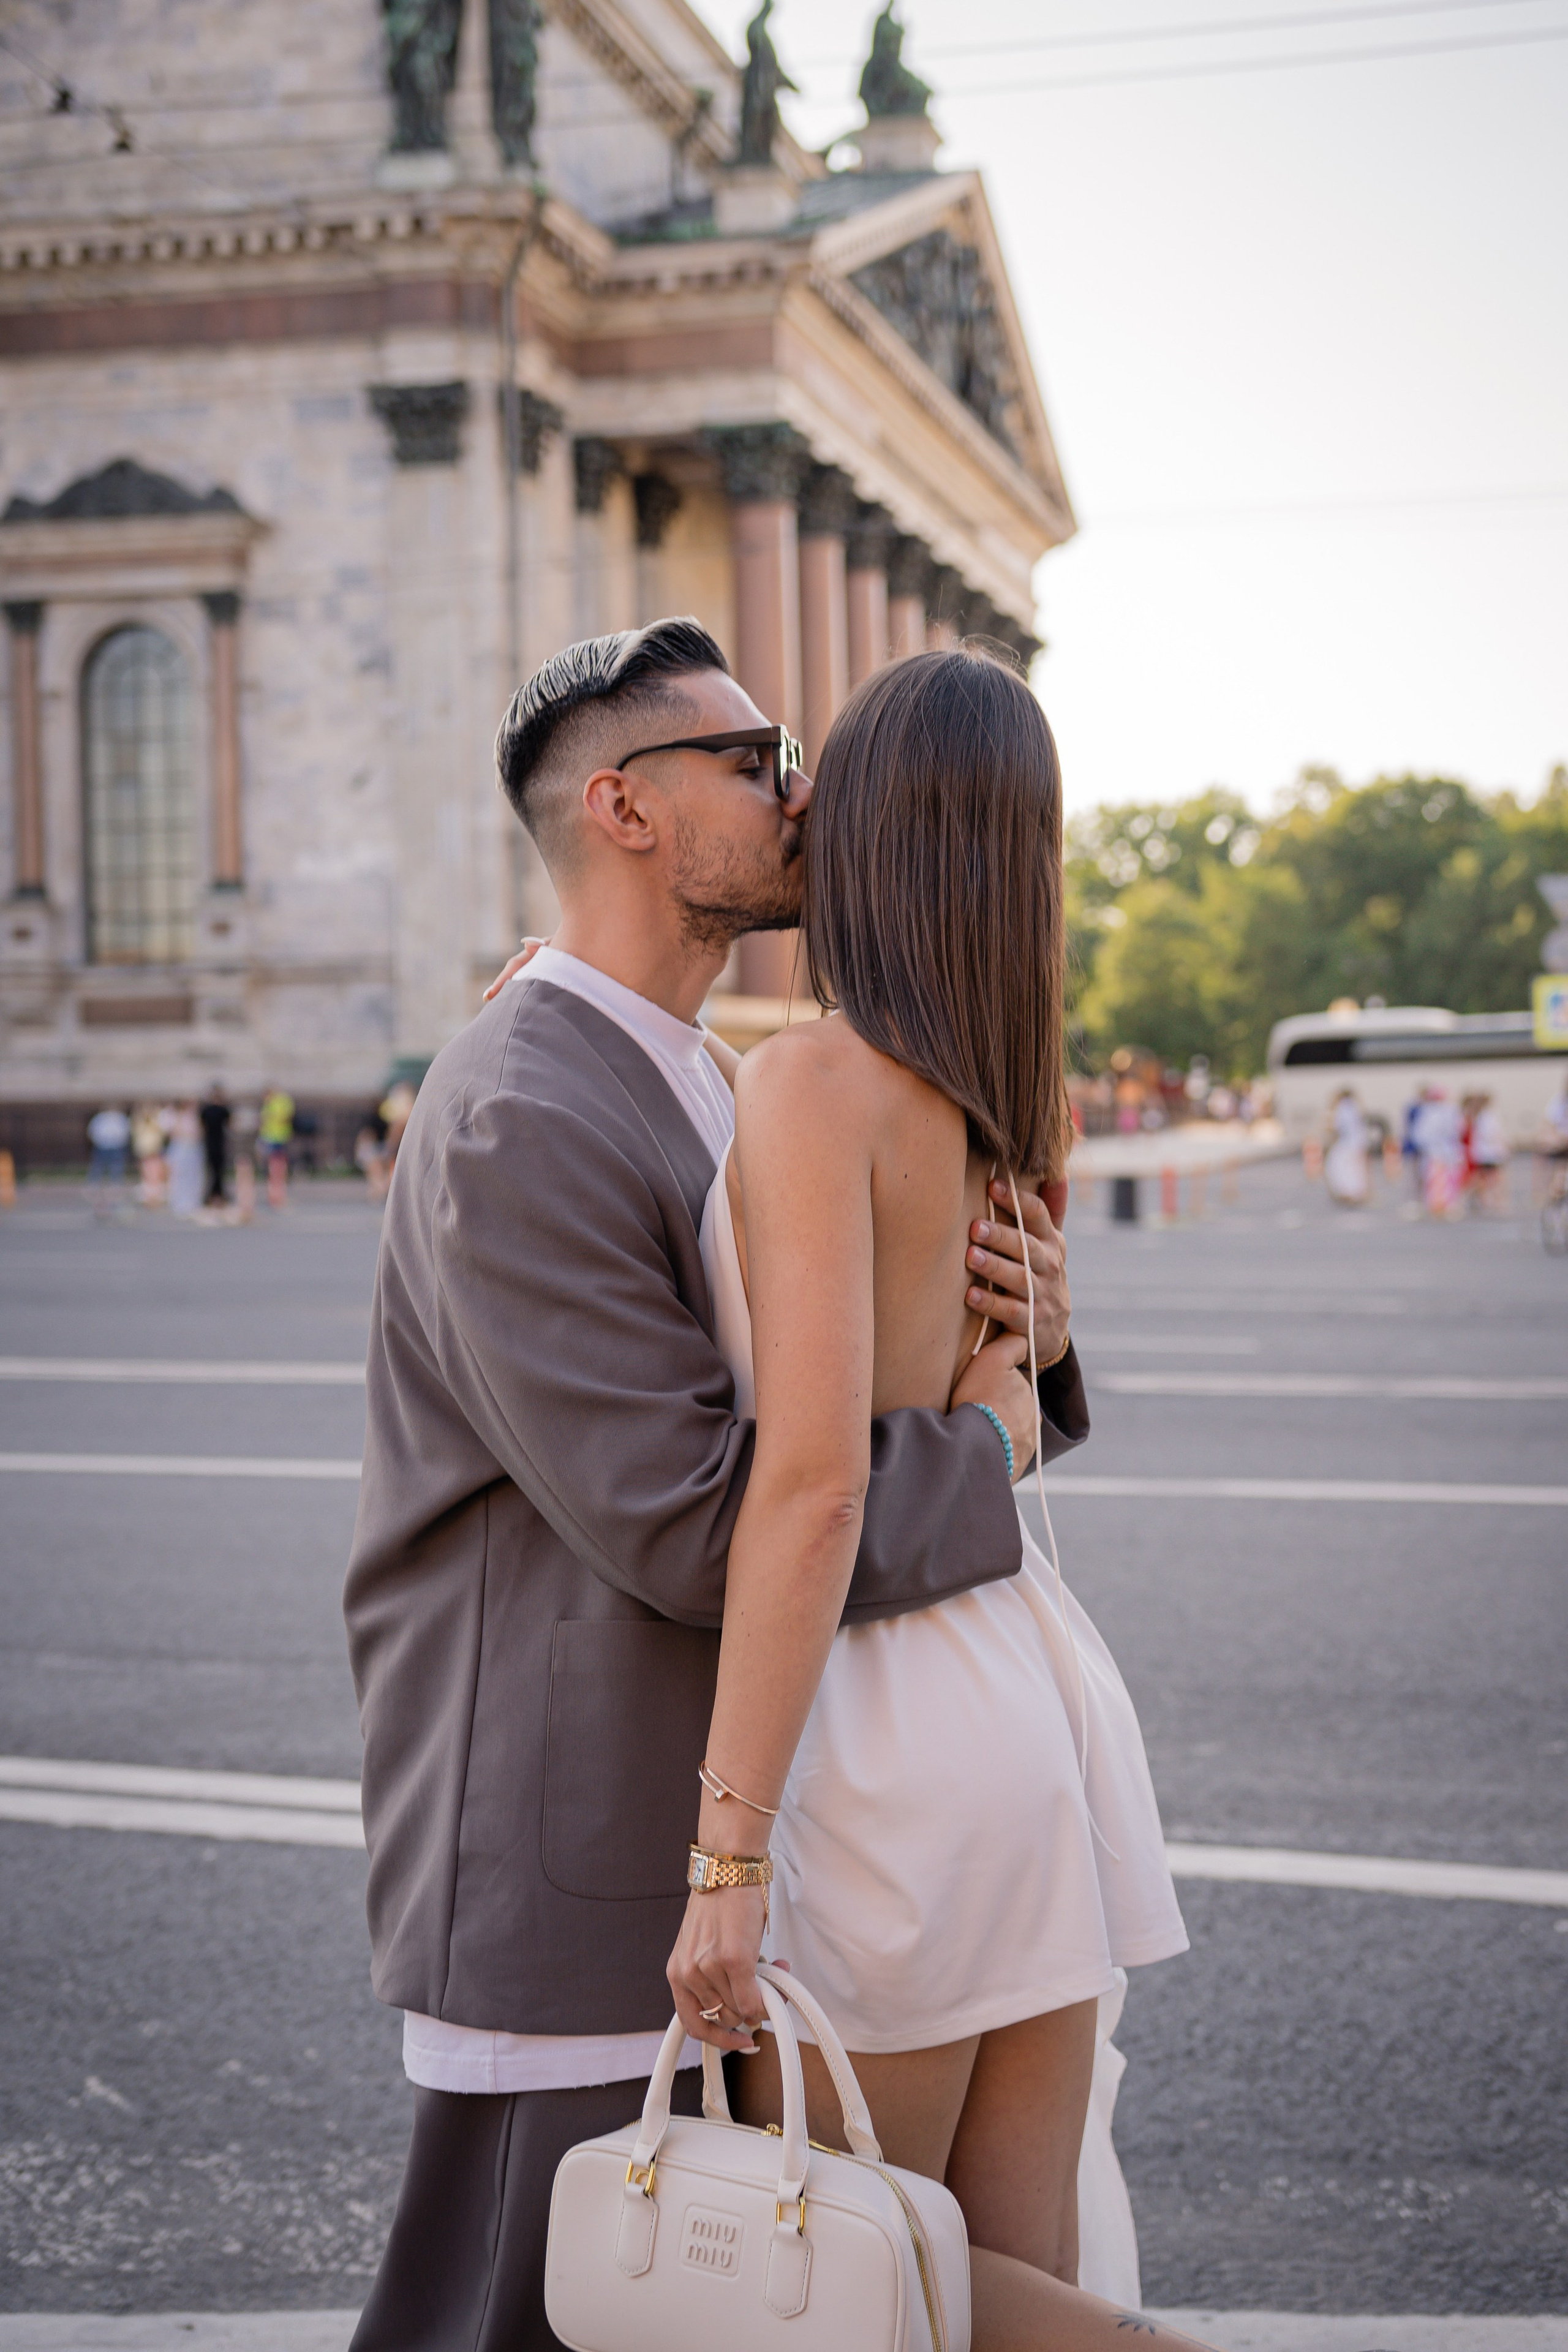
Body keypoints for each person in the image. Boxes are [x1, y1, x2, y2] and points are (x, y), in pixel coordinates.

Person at [343, 620, 1087, 2352]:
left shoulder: (712, 1069)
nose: (800, 790)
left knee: (850, 2294)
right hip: (586, 1850)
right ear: (624, 808)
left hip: (751, 1815)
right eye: (754, 762)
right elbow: (693, 1525)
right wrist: (991, 1440)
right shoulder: (525, 1104)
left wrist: (1030, 1344)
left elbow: (857, 1389)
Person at [665, 650, 1193, 2352]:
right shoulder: (1015, 1099)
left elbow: (817, 1488)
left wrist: (726, 1854)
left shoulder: (813, 1086)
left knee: (855, 2289)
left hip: (881, 1742)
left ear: (871, 830)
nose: (791, 802)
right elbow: (1002, 1398)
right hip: (1027, 1704)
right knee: (993, 2279)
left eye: (817, 775)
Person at [1324, 1087, 1370, 1206]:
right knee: (1354, 1169)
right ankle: (1355, 1193)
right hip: (1356, 1143)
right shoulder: (1354, 1107)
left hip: (1348, 1143)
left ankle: (1348, 1192)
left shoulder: (1343, 1108)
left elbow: (1336, 1126)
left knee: (1339, 1167)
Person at [85, 1104, 130, 1214]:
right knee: (98, 1166)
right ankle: (94, 1185)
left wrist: (119, 1140)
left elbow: (125, 1132)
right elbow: (92, 1131)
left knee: (116, 1167)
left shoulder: (120, 1118)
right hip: (102, 1146)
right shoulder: (100, 1118)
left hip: (116, 1146)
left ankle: (116, 1185)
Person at [165, 1101, 205, 1218]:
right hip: (182, 1151)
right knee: (179, 1177)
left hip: (192, 1151)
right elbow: (174, 1134)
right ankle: (180, 1203)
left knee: (193, 1177)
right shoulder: (178, 1118)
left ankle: (192, 1202)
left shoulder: (195, 1119)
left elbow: (199, 1134)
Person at [258, 1082, 293, 1209]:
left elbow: (286, 1118)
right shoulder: (268, 1104)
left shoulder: (282, 1102)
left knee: (278, 1167)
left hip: (279, 1137)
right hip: (270, 1137)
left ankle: (279, 1193)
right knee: (272, 1168)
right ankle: (273, 1193)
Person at [200, 1082, 231, 1208]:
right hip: (217, 1142)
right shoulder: (223, 1110)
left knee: (215, 1171)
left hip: (213, 1142)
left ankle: (215, 1194)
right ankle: (216, 1194)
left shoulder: (207, 1110)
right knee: (217, 1171)